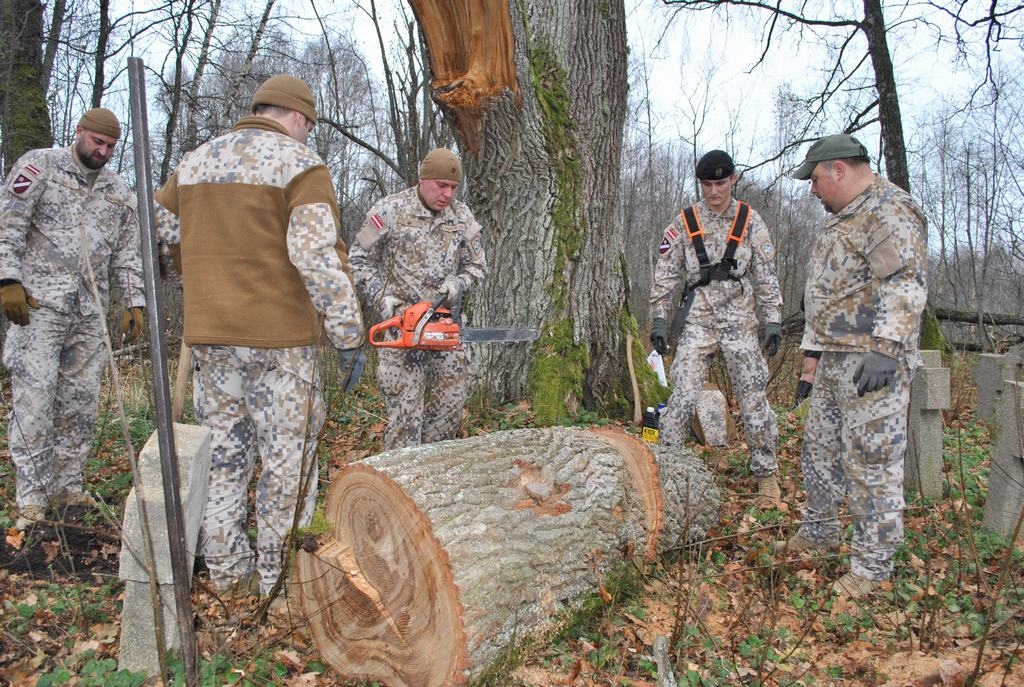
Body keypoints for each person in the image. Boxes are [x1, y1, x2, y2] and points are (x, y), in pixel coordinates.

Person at [155, 74, 364, 596]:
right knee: (286, 466)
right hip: (282, 347)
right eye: (309, 125)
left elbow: (160, 235)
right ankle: (281, 587)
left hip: (210, 341)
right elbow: (315, 256)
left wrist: (201, 281)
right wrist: (348, 333)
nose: (307, 133)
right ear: (297, 117)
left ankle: (228, 579)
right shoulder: (301, 165)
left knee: (225, 460)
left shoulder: (193, 162)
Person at [777, 133, 927, 601]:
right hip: (834, 360)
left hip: (872, 364)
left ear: (839, 170)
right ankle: (819, 531)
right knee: (820, 452)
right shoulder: (844, 216)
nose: (813, 188)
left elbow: (905, 281)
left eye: (817, 178)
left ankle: (872, 570)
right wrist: (811, 357)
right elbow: (831, 294)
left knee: (872, 465)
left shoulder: (888, 210)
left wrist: (886, 347)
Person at [0, 108, 145, 530]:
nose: (103, 151)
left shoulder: (119, 192)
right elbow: (8, 225)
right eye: (97, 142)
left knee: (79, 403)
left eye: (111, 147)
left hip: (89, 312)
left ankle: (67, 487)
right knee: (35, 399)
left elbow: (128, 253)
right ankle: (31, 496)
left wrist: (133, 300)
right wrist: (7, 279)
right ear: (79, 133)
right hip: (38, 307)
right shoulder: (39, 166)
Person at [649, 150, 784, 503]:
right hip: (698, 319)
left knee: (753, 396)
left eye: (721, 183)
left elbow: (767, 276)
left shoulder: (751, 221)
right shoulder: (684, 221)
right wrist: (660, 320)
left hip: (740, 319)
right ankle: (666, 471)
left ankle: (767, 477)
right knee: (683, 396)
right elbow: (665, 276)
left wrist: (772, 321)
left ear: (734, 179)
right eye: (707, 184)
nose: (714, 191)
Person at [348, 148, 486, 450]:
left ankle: (434, 490)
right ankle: (397, 491)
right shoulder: (389, 210)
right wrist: (385, 300)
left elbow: (477, 266)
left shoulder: (462, 216)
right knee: (404, 424)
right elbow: (357, 261)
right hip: (403, 332)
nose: (447, 194)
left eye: (453, 187)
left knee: (446, 419)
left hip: (445, 331)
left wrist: (458, 282)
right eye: (441, 185)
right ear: (422, 180)